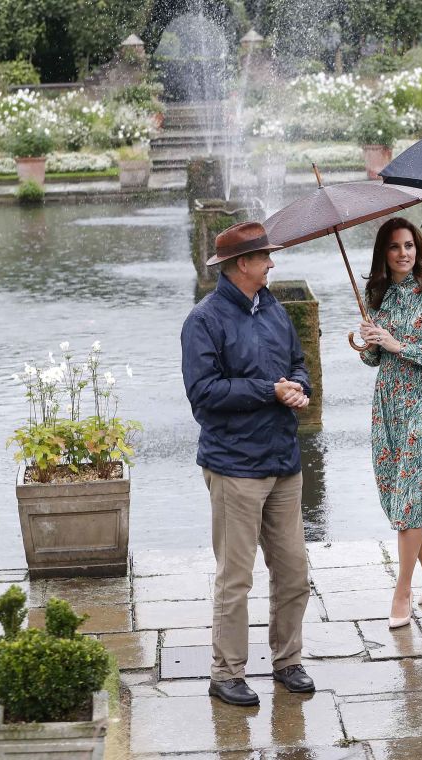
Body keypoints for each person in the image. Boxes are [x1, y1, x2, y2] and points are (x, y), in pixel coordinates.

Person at [180, 220, 316, 707]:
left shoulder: (275, 310)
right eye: (265, 258)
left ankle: (288, 661)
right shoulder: (204, 320)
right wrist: (268, 390)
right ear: (243, 265)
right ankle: (226, 673)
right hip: (234, 468)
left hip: (283, 462)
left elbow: (298, 364)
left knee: (295, 571)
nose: (272, 264)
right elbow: (203, 396)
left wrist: (300, 387)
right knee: (235, 578)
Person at [358, 217, 422, 628]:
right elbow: (374, 360)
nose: (403, 253)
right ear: (384, 253)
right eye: (395, 247)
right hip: (387, 406)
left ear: (419, 249)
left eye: (409, 245)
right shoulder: (376, 298)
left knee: (409, 501)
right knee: (399, 500)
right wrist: (367, 343)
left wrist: (398, 344)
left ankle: (403, 591)